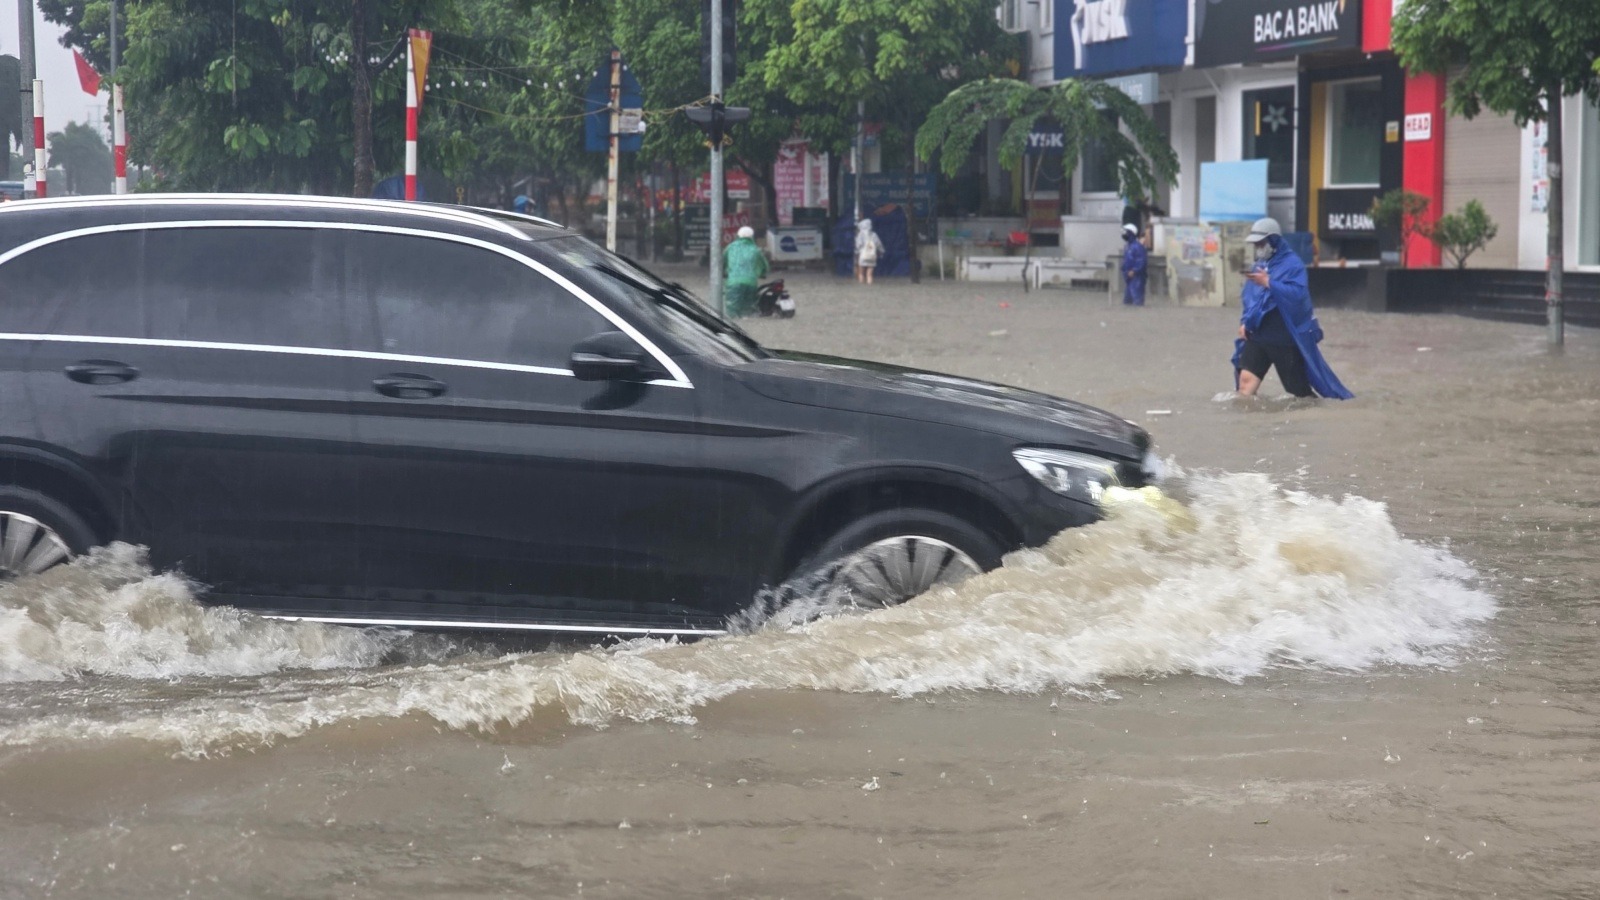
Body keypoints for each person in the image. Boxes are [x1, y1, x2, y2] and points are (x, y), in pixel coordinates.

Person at [1231, 217, 1353, 400]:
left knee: (1300, 394)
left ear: (1273, 241)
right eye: (1255, 244)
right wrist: (1244, 322)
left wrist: (1269, 282)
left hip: (1284, 339)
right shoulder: (1259, 266)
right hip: (1258, 336)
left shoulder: (1293, 265)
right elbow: (1250, 298)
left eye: (1261, 243)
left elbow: (1297, 295)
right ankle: (1248, 423)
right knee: (1245, 384)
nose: (1257, 248)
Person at [722, 225, 769, 318]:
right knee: (749, 311)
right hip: (751, 283)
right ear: (752, 237)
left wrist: (724, 272)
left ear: (738, 236)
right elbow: (764, 266)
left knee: (732, 311)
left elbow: (722, 262)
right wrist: (763, 274)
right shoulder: (756, 249)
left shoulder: (730, 247)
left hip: (733, 283)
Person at [1120, 223, 1147, 306]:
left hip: (1137, 277)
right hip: (1128, 277)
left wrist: (1134, 270)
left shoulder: (1138, 247)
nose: (1124, 234)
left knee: (1137, 301)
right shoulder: (1128, 246)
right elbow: (1126, 260)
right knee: (1127, 302)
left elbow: (1142, 261)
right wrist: (1123, 269)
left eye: (1126, 232)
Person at [855, 218, 885, 285]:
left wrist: (857, 252)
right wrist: (882, 251)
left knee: (861, 273)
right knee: (870, 274)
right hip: (872, 256)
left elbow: (858, 245)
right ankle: (870, 285)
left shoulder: (861, 234)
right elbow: (879, 244)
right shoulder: (874, 235)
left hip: (863, 255)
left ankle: (862, 287)